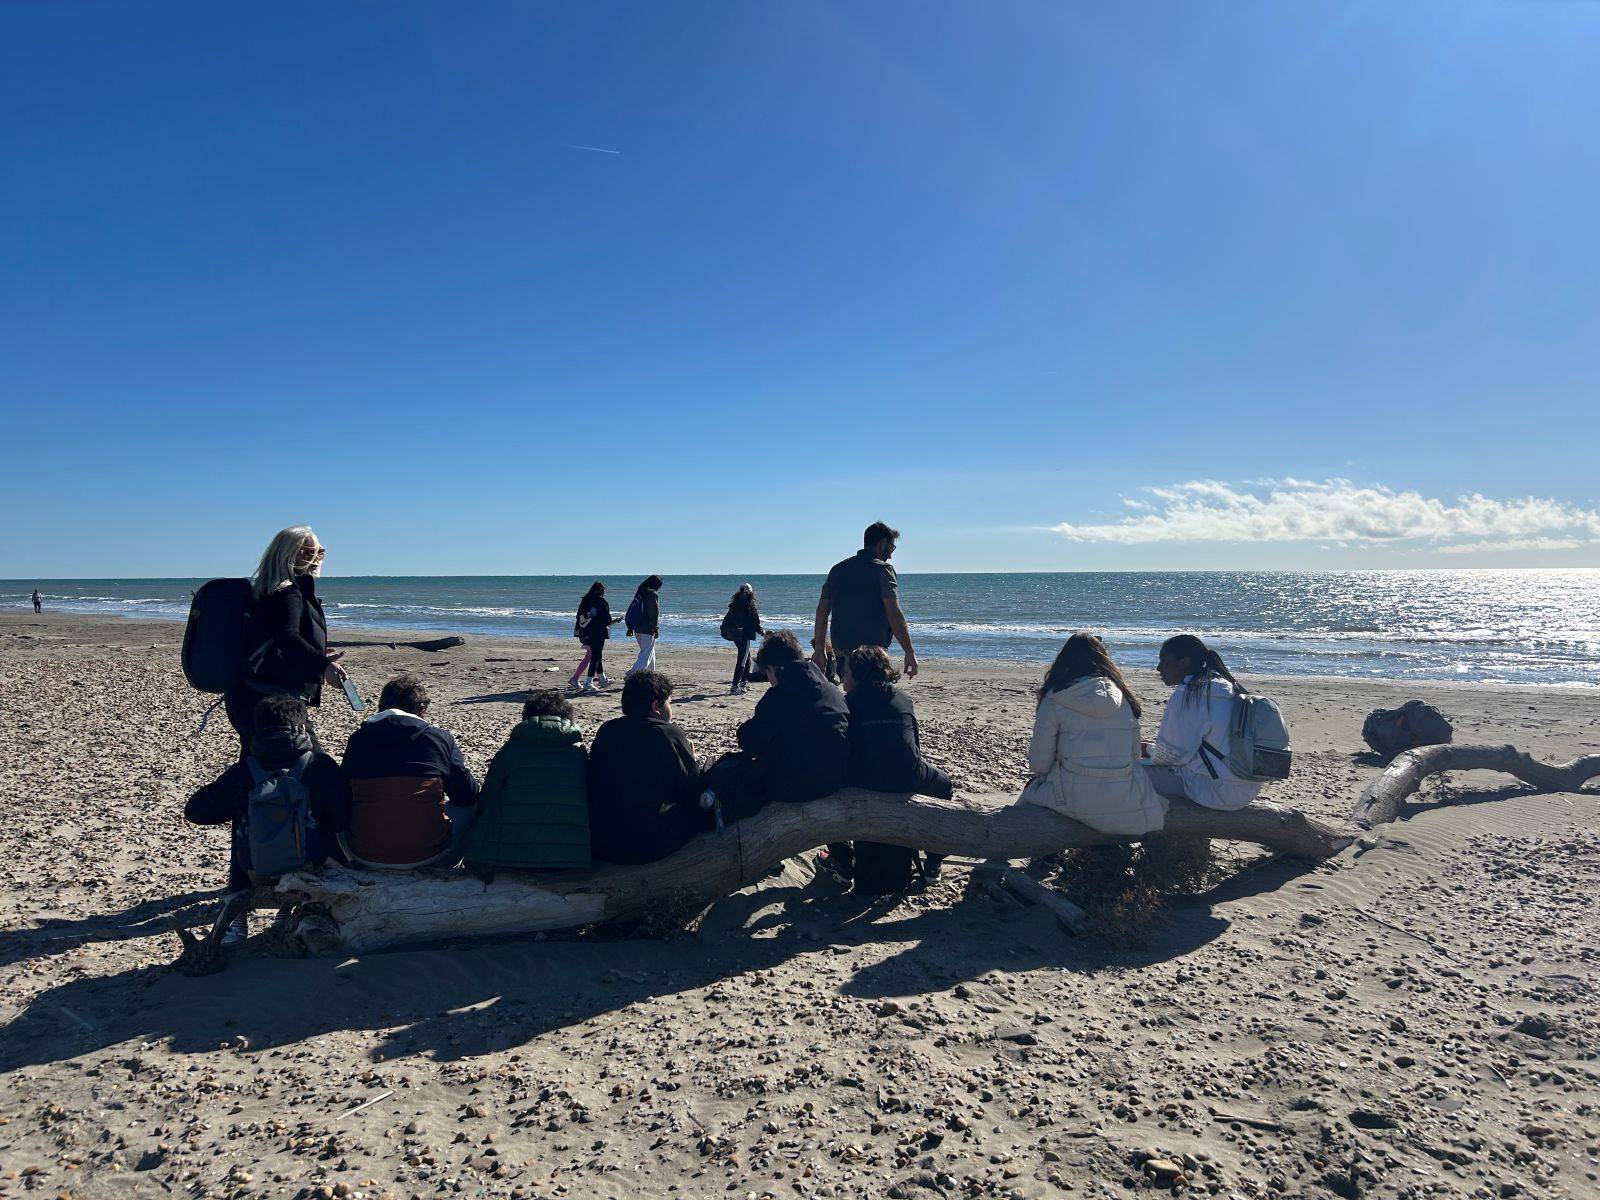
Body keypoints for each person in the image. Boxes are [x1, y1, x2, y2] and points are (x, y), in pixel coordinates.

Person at [184, 694, 350, 942]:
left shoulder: (244, 771)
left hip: (255, 871)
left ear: (258, 728)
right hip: (312, 869)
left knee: (244, 821)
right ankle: (289, 910)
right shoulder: (320, 765)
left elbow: (196, 811)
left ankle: (238, 921)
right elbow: (342, 818)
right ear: (303, 726)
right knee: (323, 821)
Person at [831, 645, 953, 892]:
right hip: (909, 775)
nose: (842, 678)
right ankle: (934, 861)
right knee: (945, 785)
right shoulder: (902, 698)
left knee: (824, 789)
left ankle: (843, 863)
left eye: (846, 674)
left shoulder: (846, 703)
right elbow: (915, 747)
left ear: (858, 675)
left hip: (864, 779)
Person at [1017, 633, 1166, 835]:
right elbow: (1133, 757)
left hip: (1073, 795)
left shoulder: (1055, 699)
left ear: (1063, 661)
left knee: (1029, 793)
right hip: (1122, 794)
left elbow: (1039, 765)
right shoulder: (1123, 698)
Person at [699, 630, 850, 824]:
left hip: (795, 787)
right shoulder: (832, 691)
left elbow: (749, 742)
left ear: (774, 669)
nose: (769, 680)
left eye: (767, 673)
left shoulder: (778, 696)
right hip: (835, 778)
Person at [223, 525, 347, 758]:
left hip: (248, 691)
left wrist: (316, 654)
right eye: (306, 552)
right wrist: (324, 665)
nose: (313, 559)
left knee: (255, 763)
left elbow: (273, 642)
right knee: (312, 762)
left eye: (318, 552)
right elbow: (287, 637)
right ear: (286, 554)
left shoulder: (264, 591)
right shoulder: (287, 592)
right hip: (273, 698)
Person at [340, 674, 481, 868]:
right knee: (474, 806)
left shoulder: (359, 738)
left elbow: (343, 793)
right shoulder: (439, 739)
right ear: (421, 709)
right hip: (429, 855)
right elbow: (467, 795)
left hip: (364, 854)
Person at [460, 690, 591, 876]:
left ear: (527, 717)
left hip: (511, 856)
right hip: (570, 856)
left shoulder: (511, 749)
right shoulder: (578, 752)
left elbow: (488, 795)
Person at [586, 671, 702, 864]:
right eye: (669, 702)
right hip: (650, 843)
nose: (670, 707)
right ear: (656, 706)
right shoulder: (668, 733)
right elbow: (692, 786)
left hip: (604, 841)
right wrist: (692, 757)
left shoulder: (607, 731)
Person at [1144, 634, 1262, 810]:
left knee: (1125, 774)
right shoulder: (1228, 688)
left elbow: (1171, 756)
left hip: (1213, 790)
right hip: (1247, 790)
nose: (1158, 668)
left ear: (1184, 662)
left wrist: (1147, 750)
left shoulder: (1189, 695)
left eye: (1164, 661)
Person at [813, 521, 918, 681]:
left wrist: (820, 649)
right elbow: (894, 612)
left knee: (852, 691)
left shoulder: (837, 570)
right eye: (892, 548)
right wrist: (909, 652)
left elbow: (822, 611)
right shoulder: (883, 570)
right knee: (874, 692)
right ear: (882, 543)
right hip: (872, 653)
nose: (891, 555)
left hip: (842, 650)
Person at [569, 581, 621, 693]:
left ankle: (602, 679)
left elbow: (579, 616)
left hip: (584, 632)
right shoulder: (602, 602)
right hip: (597, 633)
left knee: (596, 655)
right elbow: (606, 620)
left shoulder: (585, 600)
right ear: (602, 591)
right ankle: (588, 682)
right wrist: (616, 620)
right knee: (595, 656)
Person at [720, 583, 763, 694]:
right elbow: (756, 623)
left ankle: (743, 683)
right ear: (751, 593)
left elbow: (727, 619)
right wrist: (763, 632)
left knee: (746, 657)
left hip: (735, 635)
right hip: (745, 635)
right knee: (742, 660)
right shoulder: (750, 605)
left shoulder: (735, 604)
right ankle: (735, 686)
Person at [625, 575, 663, 677]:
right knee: (645, 655)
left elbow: (633, 611)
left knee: (650, 651)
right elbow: (653, 613)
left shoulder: (640, 593)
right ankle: (632, 674)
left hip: (637, 628)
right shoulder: (652, 595)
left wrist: (630, 627)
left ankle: (651, 674)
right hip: (647, 628)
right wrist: (655, 628)